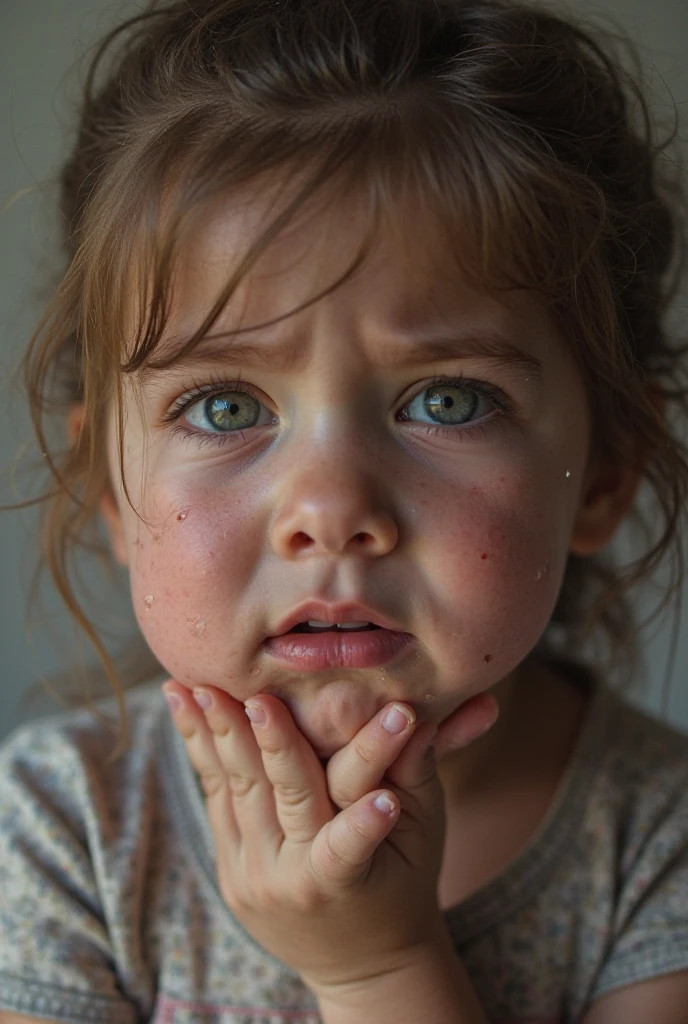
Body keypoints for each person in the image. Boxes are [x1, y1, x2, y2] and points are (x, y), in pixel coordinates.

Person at [1, 0, 688, 1021]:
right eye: (224, 406)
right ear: (111, 485)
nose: (329, 510)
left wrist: (379, 969)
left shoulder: (657, 843)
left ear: (600, 476)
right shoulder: (63, 827)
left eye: (445, 399)